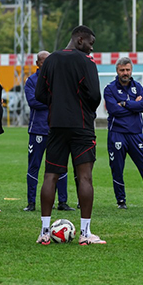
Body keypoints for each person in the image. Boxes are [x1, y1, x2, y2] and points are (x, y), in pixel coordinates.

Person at [35, 26, 105, 245]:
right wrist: (84, 109)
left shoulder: (51, 60)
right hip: (81, 125)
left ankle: (44, 232)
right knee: (84, 177)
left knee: (50, 176)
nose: (91, 48)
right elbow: (95, 95)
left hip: (56, 125)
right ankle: (85, 233)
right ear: (80, 39)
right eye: (91, 43)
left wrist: (57, 105)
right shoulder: (87, 62)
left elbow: (40, 94)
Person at [105, 57, 143, 209]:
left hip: (136, 135)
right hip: (117, 134)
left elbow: (142, 105)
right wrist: (133, 105)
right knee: (117, 169)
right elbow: (113, 109)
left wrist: (124, 103)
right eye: (122, 70)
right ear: (117, 70)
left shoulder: (138, 86)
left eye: (127, 70)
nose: (125, 73)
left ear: (131, 70)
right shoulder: (109, 88)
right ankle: (121, 201)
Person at [24, 50, 71, 212]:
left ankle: (63, 202)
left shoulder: (59, 80)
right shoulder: (31, 80)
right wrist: (54, 101)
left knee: (61, 166)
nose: (47, 64)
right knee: (34, 166)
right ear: (38, 63)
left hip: (57, 129)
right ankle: (31, 202)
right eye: (44, 61)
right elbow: (33, 101)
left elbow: (65, 99)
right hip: (38, 129)